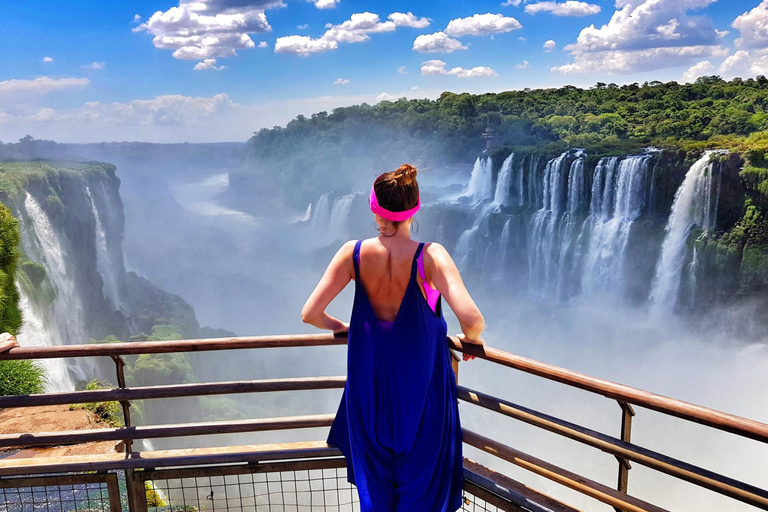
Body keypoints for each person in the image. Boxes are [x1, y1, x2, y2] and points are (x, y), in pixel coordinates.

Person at [301, 163, 486, 512]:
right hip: (421, 390)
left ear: (375, 208)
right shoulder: (430, 256)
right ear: (414, 209)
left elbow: (310, 313)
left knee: (377, 485)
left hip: (368, 385)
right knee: (421, 481)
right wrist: (470, 339)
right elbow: (472, 318)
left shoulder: (352, 253)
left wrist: (345, 327)